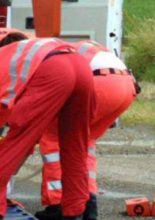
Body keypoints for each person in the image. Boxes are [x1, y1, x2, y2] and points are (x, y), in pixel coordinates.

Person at [0, 38, 95, 219]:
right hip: (82, 67)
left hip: (56, 69)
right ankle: (76, 205)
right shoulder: (20, 54)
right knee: (75, 142)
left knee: (20, 136)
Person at [35, 40, 139, 220]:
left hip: (98, 84)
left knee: (52, 140)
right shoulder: (79, 48)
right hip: (126, 87)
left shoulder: (44, 58)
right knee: (85, 144)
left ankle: (58, 205)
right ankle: (89, 205)